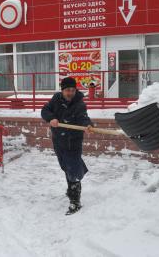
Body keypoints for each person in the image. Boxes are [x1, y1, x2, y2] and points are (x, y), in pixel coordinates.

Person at [41, 77, 93, 215]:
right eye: (67, 90)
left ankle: (75, 201)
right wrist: (51, 118)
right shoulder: (56, 99)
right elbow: (45, 110)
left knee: (73, 169)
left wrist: (87, 125)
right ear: (62, 90)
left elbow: (83, 118)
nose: (70, 93)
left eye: (73, 90)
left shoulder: (79, 104)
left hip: (73, 142)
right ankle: (71, 189)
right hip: (58, 140)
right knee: (66, 167)